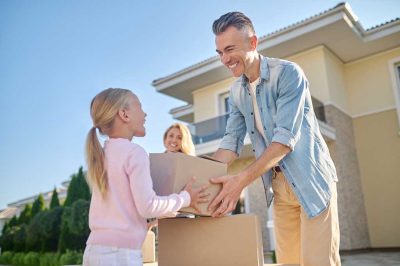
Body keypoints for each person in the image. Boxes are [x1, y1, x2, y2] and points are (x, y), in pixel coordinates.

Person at [207, 12, 341, 266]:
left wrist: (239, 182)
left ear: (253, 42)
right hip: (279, 186)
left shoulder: (288, 74)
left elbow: (284, 141)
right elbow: (231, 140)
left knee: (317, 262)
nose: (225, 59)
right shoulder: (236, 91)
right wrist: (203, 177)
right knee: (288, 261)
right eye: (219, 53)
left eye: (230, 49)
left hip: (311, 180)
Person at [83, 88, 209, 266]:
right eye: (139, 106)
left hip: (94, 250)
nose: (145, 113)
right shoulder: (135, 153)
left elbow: (128, 208)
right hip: (121, 254)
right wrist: (186, 198)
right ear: (124, 114)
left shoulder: (102, 154)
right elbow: (148, 207)